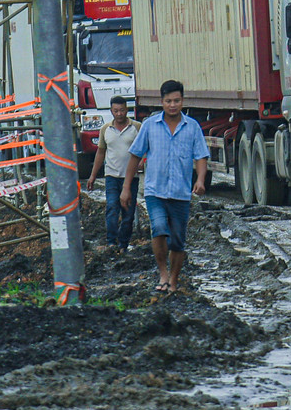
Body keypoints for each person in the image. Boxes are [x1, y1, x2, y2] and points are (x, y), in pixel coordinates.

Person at [121, 79, 208, 294]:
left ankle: (174, 279)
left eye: (176, 100)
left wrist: (200, 180)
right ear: (162, 102)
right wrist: (125, 187)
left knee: (178, 240)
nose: (172, 105)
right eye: (168, 101)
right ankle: (162, 273)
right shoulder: (150, 126)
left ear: (182, 101)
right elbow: (135, 156)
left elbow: (201, 156)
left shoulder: (192, 127)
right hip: (155, 191)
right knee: (159, 229)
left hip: (180, 193)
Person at [85, 96, 140, 252]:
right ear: (111, 111)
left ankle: (123, 244)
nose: (119, 114)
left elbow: (145, 148)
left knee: (128, 213)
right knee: (111, 208)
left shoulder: (137, 127)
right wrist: (93, 176)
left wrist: (142, 162)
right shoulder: (105, 129)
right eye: (116, 111)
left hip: (131, 178)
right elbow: (100, 153)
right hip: (111, 176)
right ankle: (111, 242)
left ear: (127, 110)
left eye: (122, 110)